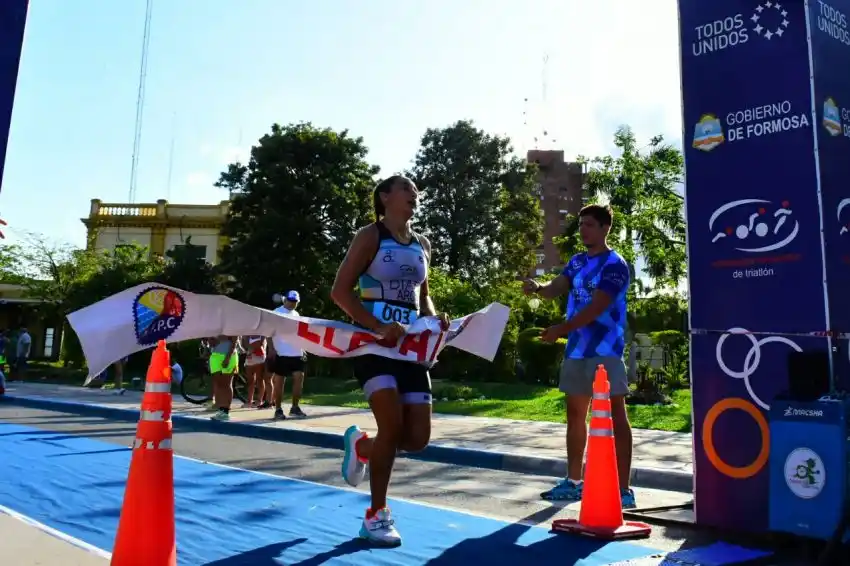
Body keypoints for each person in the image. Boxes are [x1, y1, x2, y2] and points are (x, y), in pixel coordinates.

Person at [330, 175, 450, 547]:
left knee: (417, 439)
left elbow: (422, 297)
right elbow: (340, 292)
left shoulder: (422, 244)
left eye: (416, 190)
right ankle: (376, 516)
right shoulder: (370, 236)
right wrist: (379, 326)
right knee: (392, 425)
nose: (415, 193)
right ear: (385, 197)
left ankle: (361, 447)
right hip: (373, 345)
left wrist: (434, 321)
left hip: (411, 348)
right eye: (406, 188)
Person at [522, 204, 636, 509]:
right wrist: (537, 288)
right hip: (576, 351)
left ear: (604, 228)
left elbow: (597, 307)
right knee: (575, 415)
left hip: (606, 350)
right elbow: (555, 288)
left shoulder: (615, 265)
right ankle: (574, 482)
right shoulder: (576, 262)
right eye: (581, 224)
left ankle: (623, 489)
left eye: (589, 224)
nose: (583, 229)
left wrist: (562, 328)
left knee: (615, 415)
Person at [269, 291, 308, 420]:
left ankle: (295, 407)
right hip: (282, 352)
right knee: (280, 381)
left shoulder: (296, 314)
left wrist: (303, 348)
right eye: (290, 300)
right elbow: (269, 332)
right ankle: (278, 409)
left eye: (295, 301)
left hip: (296, 352)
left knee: (299, 377)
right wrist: (272, 349)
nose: (292, 303)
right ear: (285, 300)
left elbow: (299, 333)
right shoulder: (276, 312)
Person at [208, 335, 239, 421]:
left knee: (227, 384)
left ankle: (225, 411)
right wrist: (211, 341)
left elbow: (235, 341)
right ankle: (220, 409)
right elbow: (212, 342)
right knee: (218, 384)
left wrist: (228, 357)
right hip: (215, 356)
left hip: (229, 356)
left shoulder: (232, 324)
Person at [242, 335, 267, 407]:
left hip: (260, 358)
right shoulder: (247, 333)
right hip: (249, 358)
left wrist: (252, 347)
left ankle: (259, 400)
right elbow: (245, 345)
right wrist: (249, 348)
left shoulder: (261, 333)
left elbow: (260, 344)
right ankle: (249, 401)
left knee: (260, 379)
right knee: (250, 380)